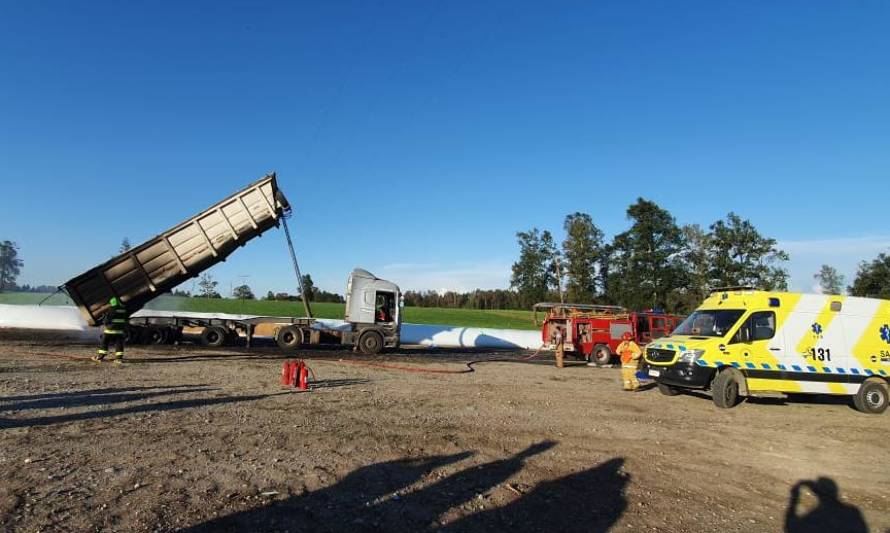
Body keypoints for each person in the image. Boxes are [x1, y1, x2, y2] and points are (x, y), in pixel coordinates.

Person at [94, 297, 129, 364]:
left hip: (110, 331)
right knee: (119, 345)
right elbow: (126, 320)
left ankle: (100, 357)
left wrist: (104, 322)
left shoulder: (112, 309)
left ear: (112, 302)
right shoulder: (123, 310)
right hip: (119, 331)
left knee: (104, 342)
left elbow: (107, 320)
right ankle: (119, 359)